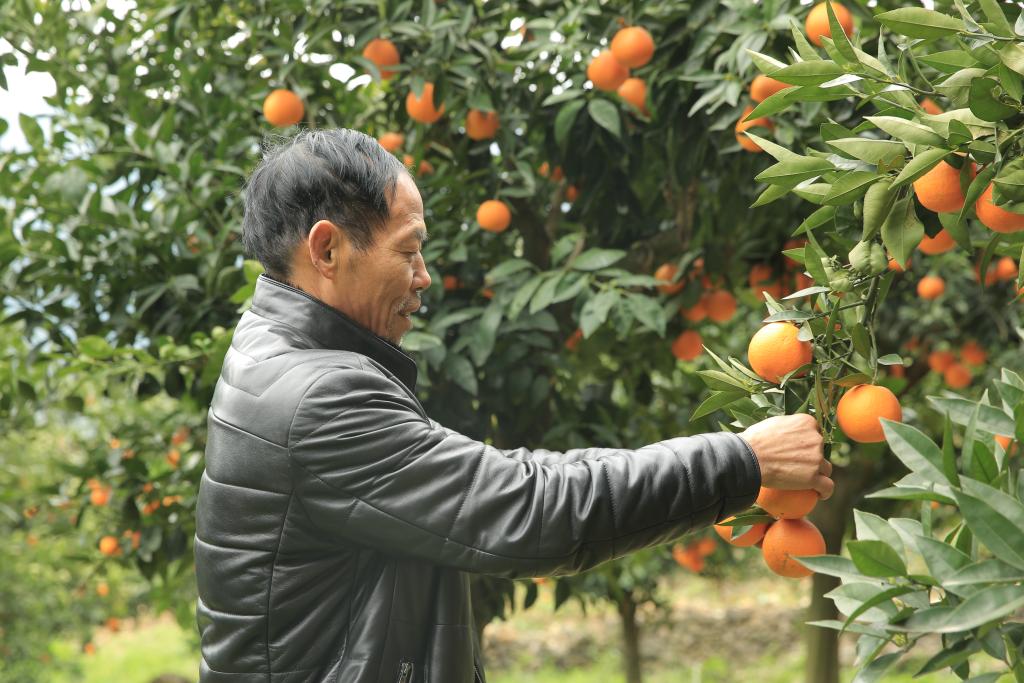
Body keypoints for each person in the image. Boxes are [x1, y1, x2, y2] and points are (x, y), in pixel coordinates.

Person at [194, 128, 833, 683]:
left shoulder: (275, 354)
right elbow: (532, 509)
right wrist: (743, 461)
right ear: (327, 249)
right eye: (408, 250)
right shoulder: (318, 398)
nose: (423, 275)